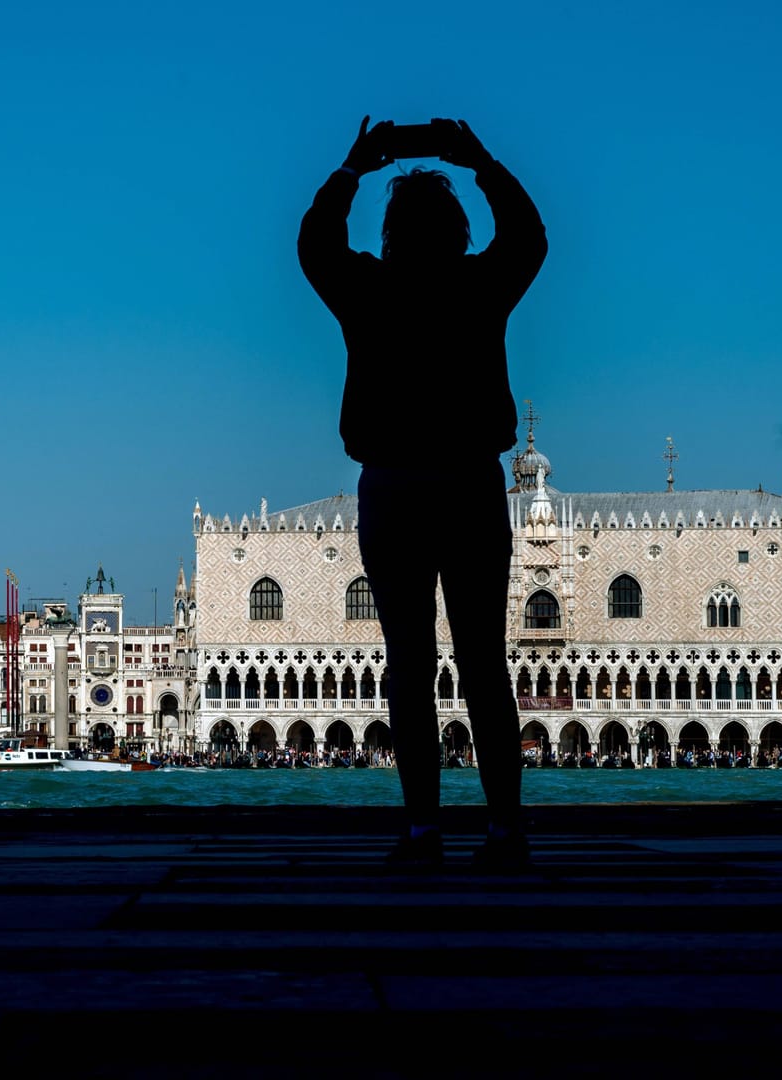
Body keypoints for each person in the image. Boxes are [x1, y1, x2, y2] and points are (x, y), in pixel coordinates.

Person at [298, 118, 547, 868]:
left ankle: (422, 830)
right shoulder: (480, 286)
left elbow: (314, 245)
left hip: (395, 486)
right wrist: (481, 162)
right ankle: (504, 829)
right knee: (483, 661)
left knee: (408, 659)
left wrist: (350, 168)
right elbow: (529, 237)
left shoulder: (368, 289)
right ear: (459, 230)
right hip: (470, 485)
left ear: (392, 232)